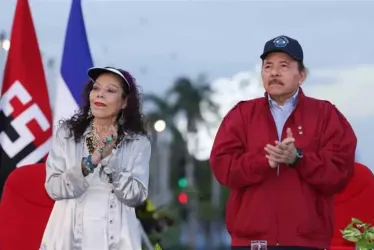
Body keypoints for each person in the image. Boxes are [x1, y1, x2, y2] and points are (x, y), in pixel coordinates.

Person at [210, 35, 357, 250]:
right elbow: (223, 167)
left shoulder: (325, 114)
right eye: (268, 66)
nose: (274, 73)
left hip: (307, 242)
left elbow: (340, 172)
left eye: (284, 66)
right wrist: (264, 161)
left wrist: (299, 159)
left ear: (302, 75)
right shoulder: (241, 114)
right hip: (251, 242)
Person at [40, 67, 151, 250]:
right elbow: (53, 188)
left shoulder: (138, 142)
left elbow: (136, 196)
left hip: (117, 239)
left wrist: (110, 161)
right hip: (67, 238)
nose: (100, 95)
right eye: (96, 88)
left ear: (124, 102)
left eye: (110, 91)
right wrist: (91, 161)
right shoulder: (67, 134)